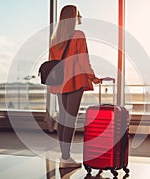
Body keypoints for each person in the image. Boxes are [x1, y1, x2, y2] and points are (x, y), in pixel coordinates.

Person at [49, 5, 101, 168]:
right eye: (79, 15)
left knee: (63, 119)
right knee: (70, 119)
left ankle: (64, 155)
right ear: (73, 17)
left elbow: (53, 62)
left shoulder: (55, 38)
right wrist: (93, 77)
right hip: (74, 82)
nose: (80, 18)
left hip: (59, 83)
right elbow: (83, 60)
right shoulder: (78, 35)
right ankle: (66, 157)